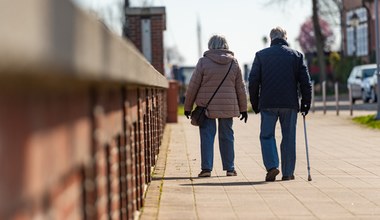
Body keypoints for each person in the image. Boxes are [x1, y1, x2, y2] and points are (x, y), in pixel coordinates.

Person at [248, 27, 312, 182]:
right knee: (289, 137)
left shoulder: (261, 55)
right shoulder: (296, 56)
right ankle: (288, 173)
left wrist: (255, 103)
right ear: (285, 37)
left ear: (271, 38)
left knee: (266, 135)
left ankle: (272, 166)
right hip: (289, 103)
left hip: (268, 102)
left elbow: (253, 81)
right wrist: (305, 103)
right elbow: (305, 82)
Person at [184, 34, 248, 178]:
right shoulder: (234, 63)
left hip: (206, 106)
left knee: (207, 136)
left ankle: (206, 169)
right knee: (227, 136)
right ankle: (230, 169)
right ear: (225, 45)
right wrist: (243, 109)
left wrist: (187, 107)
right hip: (227, 106)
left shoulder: (203, 62)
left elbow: (193, 86)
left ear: (210, 46)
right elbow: (240, 88)